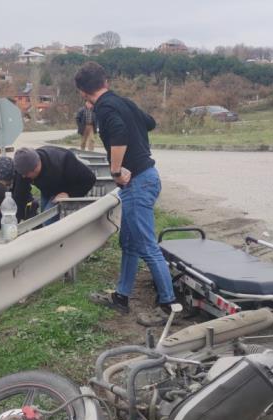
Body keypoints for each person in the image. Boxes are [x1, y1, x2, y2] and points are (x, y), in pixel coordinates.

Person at [74, 61, 176, 327]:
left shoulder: (105, 108)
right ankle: (121, 297)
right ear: (105, 82)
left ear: (82, 92)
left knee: (146, 245)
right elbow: (150, 123)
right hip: (145, 180)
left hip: (138, 182)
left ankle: (168, 306)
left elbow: (119, 134)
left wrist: (117, 170)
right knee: (129, 243)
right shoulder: (123, 102)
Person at [12, 146, 96, 224]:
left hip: (66, 189)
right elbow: (19, 195)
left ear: (36, 166)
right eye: (22, 174)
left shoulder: (65, 161)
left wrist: (70, 194)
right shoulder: (23, 169)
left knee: (47, 220)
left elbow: (89, 179)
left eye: (26, 174)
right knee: (43, 218)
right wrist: (16, 222)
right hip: (47, 189)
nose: (24, 176)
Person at [0, 155, 39, 230]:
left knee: (32, 206)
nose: (5, 184)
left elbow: (21, 198)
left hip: (20, 201)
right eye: (1, 181)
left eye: (8, 182)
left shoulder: (22, 176)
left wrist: (15, 221)